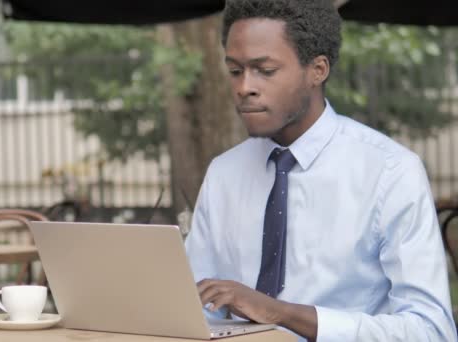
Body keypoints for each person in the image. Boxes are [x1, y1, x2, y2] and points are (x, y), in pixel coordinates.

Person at [184, 0, 457, 341]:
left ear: (318, 70)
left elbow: (431, 331)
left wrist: (282, 313)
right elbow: (194, 307)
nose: (244, 87)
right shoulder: (224, 173)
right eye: (235, 71)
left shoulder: (390, 172)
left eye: (265, 70)